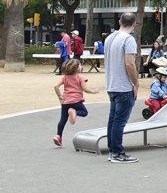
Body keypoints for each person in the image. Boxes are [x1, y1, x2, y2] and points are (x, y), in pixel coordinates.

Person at [104, 13, 140, 163]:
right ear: (134, 24)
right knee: (120, 121)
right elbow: (129, 63)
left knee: (113, 119)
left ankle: (112, 150)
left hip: (111, 83)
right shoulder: (129, 39)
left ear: (120, 22)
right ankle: (118, 153)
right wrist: (135, 83)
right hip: (124, 86)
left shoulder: (109, 38)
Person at [52, 59, 100, 147]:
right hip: (76, 101)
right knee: (84, 112)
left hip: (65, 102)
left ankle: (58, 136)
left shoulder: (65, 77)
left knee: (63, 120)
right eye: (80, 65)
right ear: (76, 68)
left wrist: (60, 96)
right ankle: (74, 112)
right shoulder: (80, 77)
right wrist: (94, 91)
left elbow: (56, 86)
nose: (81, 66)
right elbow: (85, 89)